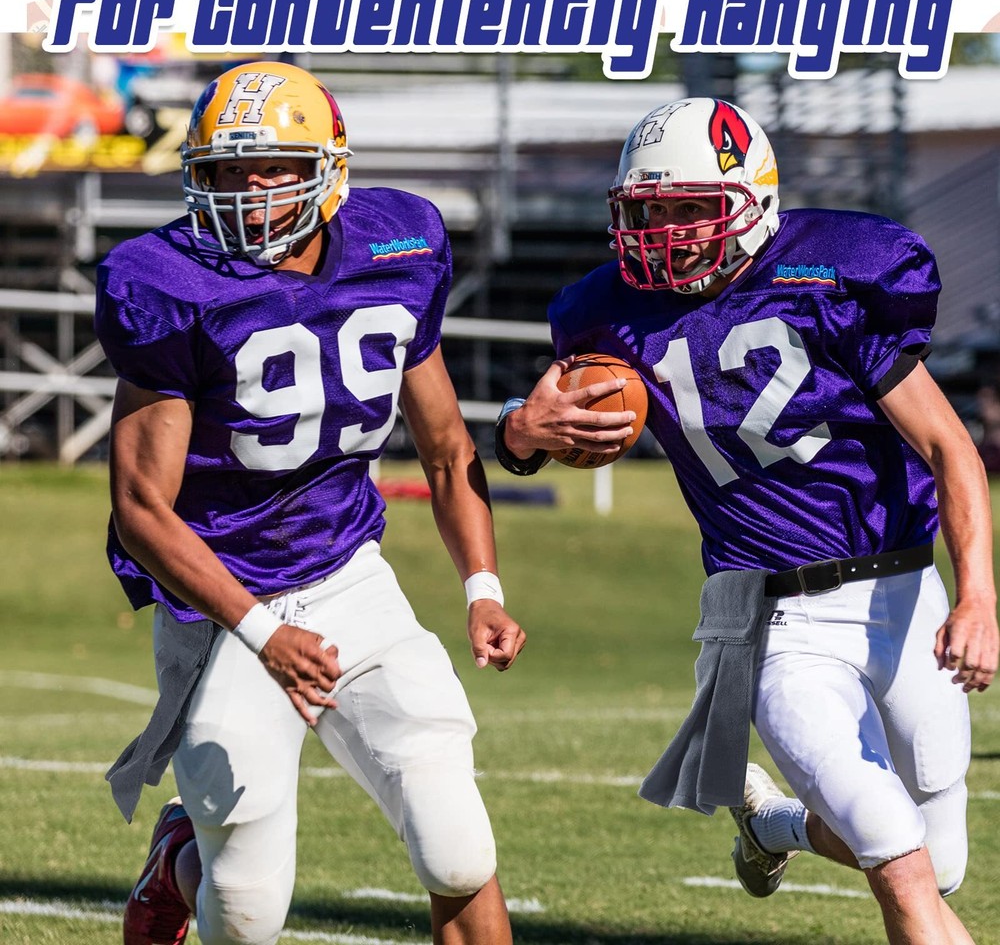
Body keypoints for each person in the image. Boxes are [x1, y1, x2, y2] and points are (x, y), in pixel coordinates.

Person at [494, 97, 997, 944]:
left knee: (937, 861)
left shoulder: (834, 276)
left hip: (904, 596)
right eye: (649, 212)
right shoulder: (606, 313)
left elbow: (951, 447)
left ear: (752, 200)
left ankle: (776, 826)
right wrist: (519, 429)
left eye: (691, 208)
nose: (666, 233)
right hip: (769, 620)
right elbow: (537, 430)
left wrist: (977, 595)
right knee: (901, 863)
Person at [95, 61, 526, 945]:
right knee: (247, 913)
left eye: (273, 170)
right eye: (226, 171)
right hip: (223, 604)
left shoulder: (398, 245)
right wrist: (262, 632)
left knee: (457, 849)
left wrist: (482, 590)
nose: (248, 194)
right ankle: (177, 861)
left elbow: (448, 450)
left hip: (348, 577)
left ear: (328, 170)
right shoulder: (168, 281)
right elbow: (140, 508)